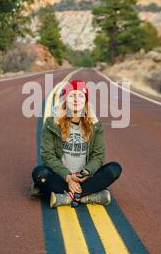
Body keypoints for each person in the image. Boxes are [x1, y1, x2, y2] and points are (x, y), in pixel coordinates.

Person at [30, 79, 122, 208]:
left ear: (85, 101)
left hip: (85, 178)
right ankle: (87, 196)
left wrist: (86, 173)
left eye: (80, 95)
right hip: (60, 176)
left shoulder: (95, 125)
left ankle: (66, 197)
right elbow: (47, 156)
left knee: (114, 168)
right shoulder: (52, 124)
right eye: (72, 95)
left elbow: (98, 155)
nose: (76, 99)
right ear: (65, 100)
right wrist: (67, 177)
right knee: (39, 173)